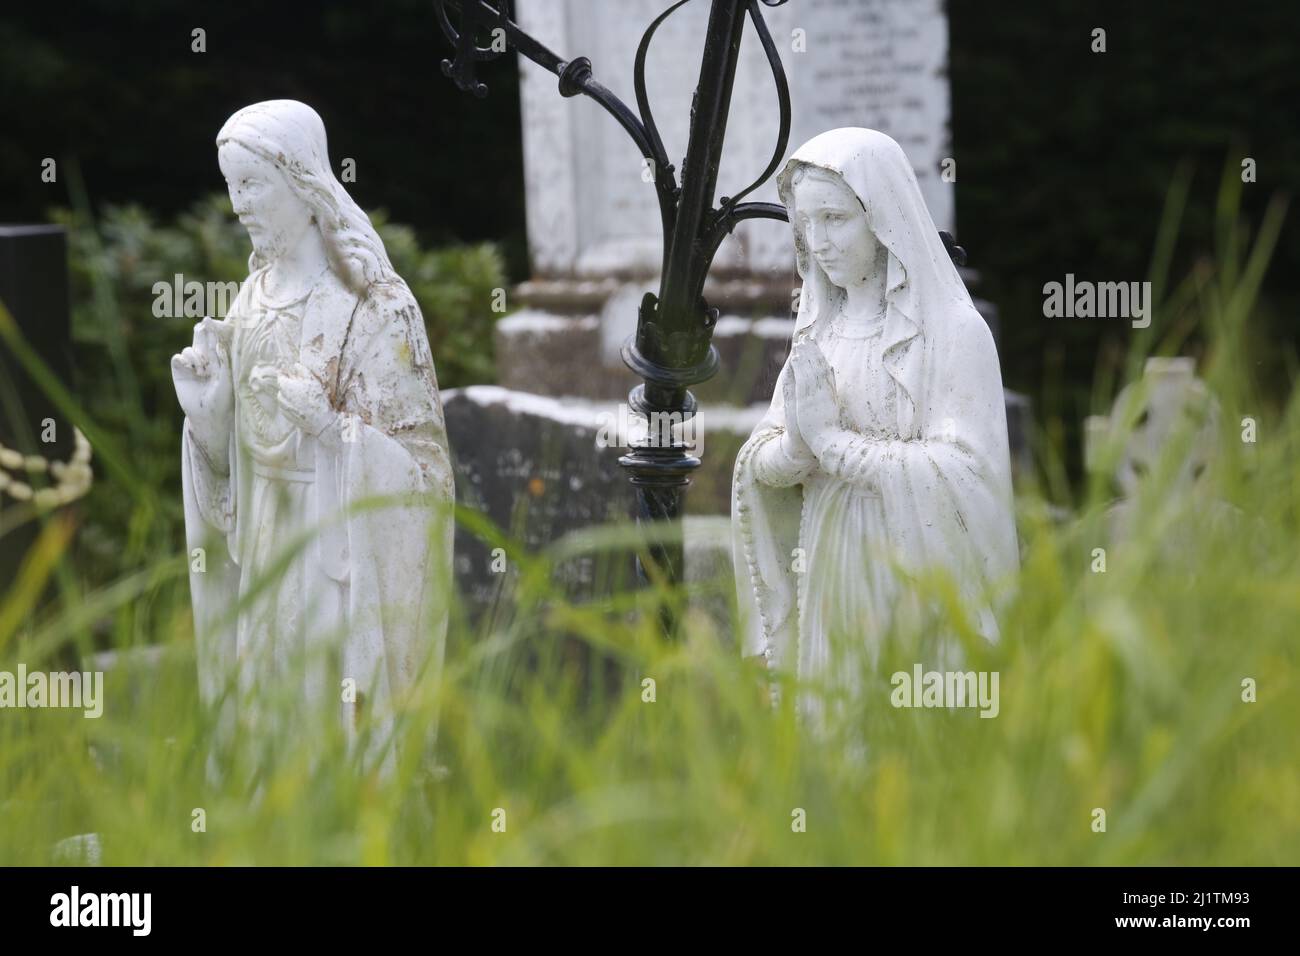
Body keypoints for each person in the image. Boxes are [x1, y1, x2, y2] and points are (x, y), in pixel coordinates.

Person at [172, 100, 454, 772]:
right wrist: (209, 421)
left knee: (333, 728)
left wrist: (332, 430)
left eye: (254, 185)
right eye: (231, 186)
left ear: (302, 182)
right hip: (268, 543)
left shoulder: (374, 302)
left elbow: (425, 472)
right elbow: (232, 475)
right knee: (269, 730)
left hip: (340, 553)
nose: (239, 205)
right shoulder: (249, 301)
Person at [732, 128, 1018, 722]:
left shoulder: (953, 336)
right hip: (829, 566)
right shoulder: (820, 332)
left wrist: (835, 445)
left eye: (836, 218)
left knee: (905, 743)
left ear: (882, 219)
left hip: (910, 571)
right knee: (836, 735)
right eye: (807, 223)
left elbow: (968, 478)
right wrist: (796, 451)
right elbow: (763, 454)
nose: (820, 241)